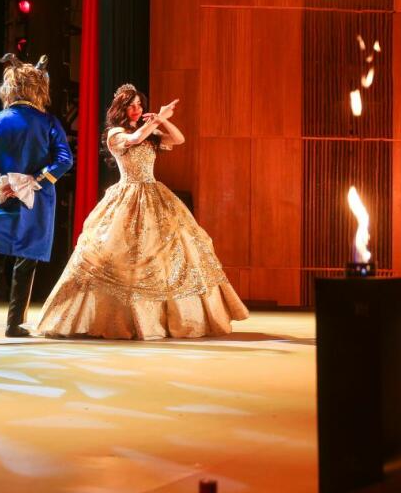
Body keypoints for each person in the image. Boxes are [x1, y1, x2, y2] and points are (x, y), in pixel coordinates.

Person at [37, 85, 249, 340]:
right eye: (131, 105)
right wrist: (155, 121)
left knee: (170, 252)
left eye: (139, 105)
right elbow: (135, 139)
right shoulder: (115, 133)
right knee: (118, 254)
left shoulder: (150, 132)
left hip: (154, 194)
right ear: (121, 109)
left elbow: (178, 139)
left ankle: (164, 319)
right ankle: (114, 318)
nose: (137, 109)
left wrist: (162, 120)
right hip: (127, 195)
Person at [0, 54, 73, 341]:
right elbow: (64, 159)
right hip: (34, 201)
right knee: (27, 259)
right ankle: (15, 323)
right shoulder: (48, 122)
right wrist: (37, 179)